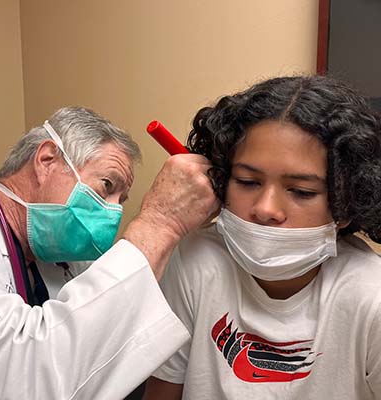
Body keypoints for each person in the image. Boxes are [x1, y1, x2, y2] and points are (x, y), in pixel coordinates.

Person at [143, 76, 381, 400]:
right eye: (247, 181)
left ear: (346, 205)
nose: (266, 209)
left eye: (301, 191)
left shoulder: (371, 296)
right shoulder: (196, 260)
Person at [0, 106, 219, 399]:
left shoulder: (65, 260)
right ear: (46, 160)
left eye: (121, 199)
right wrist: (162, 221)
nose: (115, 210)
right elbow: (17, 379)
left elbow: (99, 356)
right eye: (107, 185)